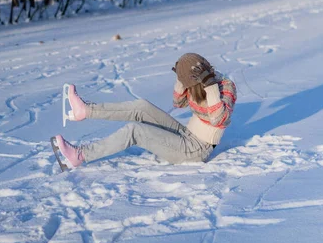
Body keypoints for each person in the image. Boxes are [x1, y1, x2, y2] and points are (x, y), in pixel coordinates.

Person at [51, 53, 237, 170]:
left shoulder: (225, 86)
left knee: (135, 130)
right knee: (141, 107)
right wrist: (181, 78)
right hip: (186, 134)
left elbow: (218, 120)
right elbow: (178, 103)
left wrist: (211, 87)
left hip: (196, 150)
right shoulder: (193, 82)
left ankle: (80, 155)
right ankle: (85, 110)